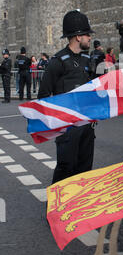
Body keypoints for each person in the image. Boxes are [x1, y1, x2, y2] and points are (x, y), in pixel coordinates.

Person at [38, 10, 96, 184]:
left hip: (86, 124)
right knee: (66, 167)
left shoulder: (88, 59)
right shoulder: (57, 62)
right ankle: (57, 209)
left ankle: (79, 207)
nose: (90, 38)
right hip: (67, 127)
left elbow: (93, 89)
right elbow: (43, 95)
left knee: (84, 169)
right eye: (87, 35)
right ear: (78, 36)